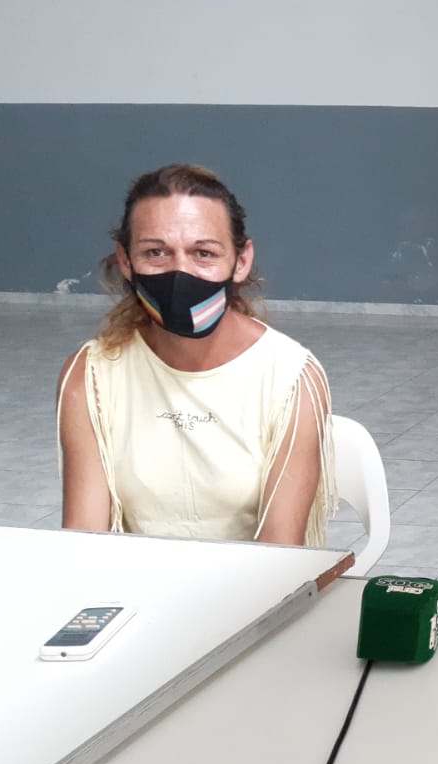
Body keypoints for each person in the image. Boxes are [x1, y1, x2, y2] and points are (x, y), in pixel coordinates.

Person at [57, 163, 335, 546]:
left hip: (253, 583)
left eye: (203, 253)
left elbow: (280, 552)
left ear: (241, 261)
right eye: (156, 252)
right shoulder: (90, 376)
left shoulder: (291, 379)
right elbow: (85, 544)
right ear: (125, 261)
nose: (180, 272)